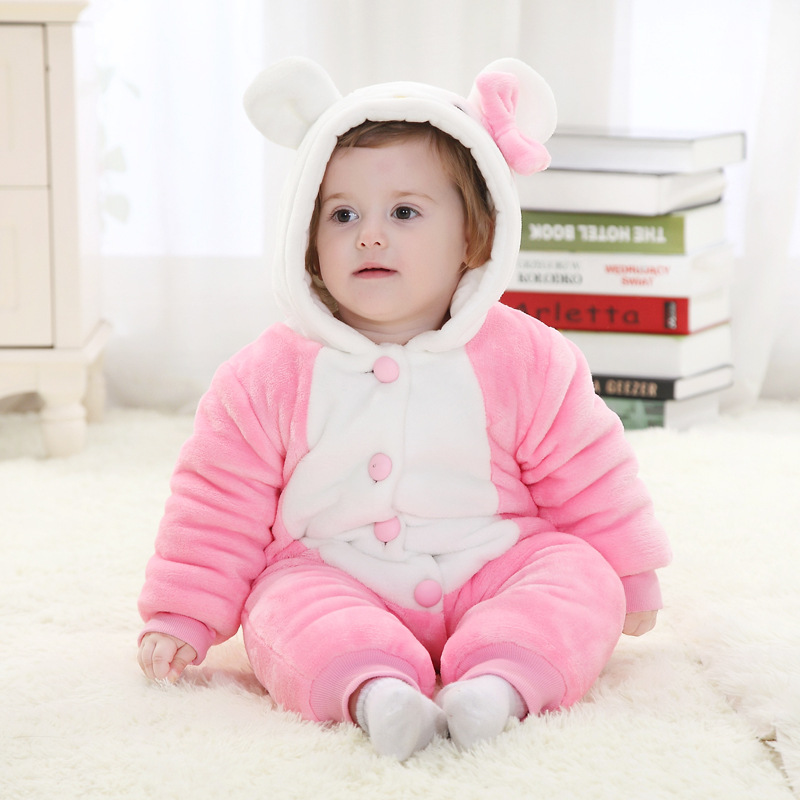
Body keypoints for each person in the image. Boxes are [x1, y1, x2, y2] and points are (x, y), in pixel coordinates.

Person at [137, 57, 671, 761]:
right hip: (334, 569)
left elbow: (589, 469)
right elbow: (216, 502)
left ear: (475, 238)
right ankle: (375, 693)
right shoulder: (266, 375)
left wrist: (627, 570)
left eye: (405, 212)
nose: (369, 234)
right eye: (343, 214)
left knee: (580, 578)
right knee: (281, 606)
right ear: (305, 236)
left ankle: (499, 688)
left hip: (496, 558)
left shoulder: (526, 356)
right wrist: (184, 612)